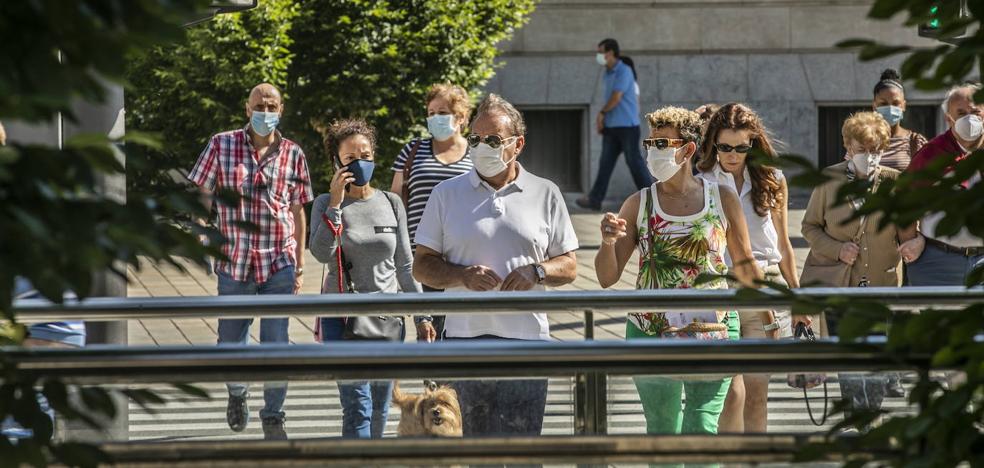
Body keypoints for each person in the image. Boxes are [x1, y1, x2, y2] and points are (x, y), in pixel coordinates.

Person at [594, 106, 766, 439]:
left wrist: (768, 314)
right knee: (662, 433)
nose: (651, 151)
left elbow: (745, 262)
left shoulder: (722, 198)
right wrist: (605, 242)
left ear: (687, 149)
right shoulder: (638, 203)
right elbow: (607, 277)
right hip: (650, 330)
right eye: (650, 143)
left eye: (661, 144)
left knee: (702, 426)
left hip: (713, 327)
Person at [412, 93, 579, 437]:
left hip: (528, 342)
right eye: (475, 139)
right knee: (472, 451)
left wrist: (537, 271)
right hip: (462, 342)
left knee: (524, 451)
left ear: (517, 144)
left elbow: (570, 264)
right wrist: (461, 275)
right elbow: (422, 266)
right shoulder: (446, 194)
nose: (481, 147)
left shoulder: (545, 192)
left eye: (492, 140)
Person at [187, 83, 313, 440]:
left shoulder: (293, 153)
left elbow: (298, 210)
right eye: (259, 105)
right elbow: (203, 192)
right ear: (247, 108)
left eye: (271, 106)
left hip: (279, 262)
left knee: (276, 345)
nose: (265, 111)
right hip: (235, 261)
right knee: (230, 343)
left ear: (281, 110)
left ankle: (274, 415)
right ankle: (237, 392)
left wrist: (299, 263)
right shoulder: (221, 144)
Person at [309, 118, 420, 439]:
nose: (361, 164)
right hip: (342, 319)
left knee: (381, 405)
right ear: (336, 163)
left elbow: (404, 264)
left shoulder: (391, 202)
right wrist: (335, 204)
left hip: (387, 319)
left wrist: (424, 313)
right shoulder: (323, 203)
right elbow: (322, 254)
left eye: (367, 156)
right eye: (350, 159)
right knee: (357, 404)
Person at [696, 103, 798, 433]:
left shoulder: (772, 179)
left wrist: (799, 300)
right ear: (713, 143)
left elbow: (784, 246)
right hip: (720, 290)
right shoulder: (702, 183)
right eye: (725, 146)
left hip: (766, 288)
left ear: (752, 144)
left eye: (741, 147)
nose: (732, 154)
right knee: (729, 391)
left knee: (757, 393)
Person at [801, 111, 904, 419]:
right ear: (848, 147)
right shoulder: (829, 181)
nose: (869, 158)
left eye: (876, 151)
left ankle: (870, 417)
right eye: (863, 150)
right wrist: (836, 248)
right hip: (838, 281)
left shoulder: (893, 183)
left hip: (878, 284)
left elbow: (908, 228)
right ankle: (855, 420)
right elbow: (809, 227)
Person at [389, 83, 475, 343]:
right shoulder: (413, 151)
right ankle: (432, 384)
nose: (435, 118)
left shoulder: (476, 154)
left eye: (442, 112)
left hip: (463, 255)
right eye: (431, 112)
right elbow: (395, 201)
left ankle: (459, 382)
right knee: (427, 332)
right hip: (421, 255)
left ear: (460, 116)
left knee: (461, 330)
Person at [898, 82, 984, 286]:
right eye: (961, 113)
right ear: (949, 119)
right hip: (937, 263)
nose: (969, 118)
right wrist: (910, 242)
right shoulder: (931, 154)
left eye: (975, 112)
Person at [576, 38, 652, 211]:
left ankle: (652, 198)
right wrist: (604, 120)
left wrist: (601, 113)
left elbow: (616, 97)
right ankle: (595, 200)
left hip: (627, 126)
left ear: (610, 53)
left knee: (634, 162)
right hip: (612, 127)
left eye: (601, 52)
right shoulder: (607, 73)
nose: (599, 56)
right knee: (605, 163)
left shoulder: (624, 71)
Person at [871, 69, 927, 171]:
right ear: (874, 106)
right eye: (883, 104)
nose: (890, 108)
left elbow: (927, 178)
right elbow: (849, 176)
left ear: (904, 106)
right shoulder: (862, 140)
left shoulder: (916, 142)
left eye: (895, 103)